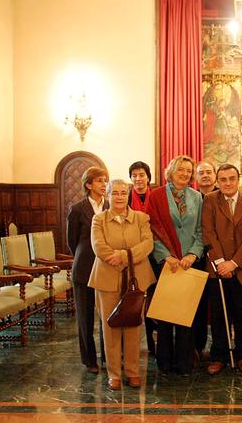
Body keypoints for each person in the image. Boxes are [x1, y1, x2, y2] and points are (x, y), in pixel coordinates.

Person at [89, 179, 154, 391]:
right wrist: (116, 257)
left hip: (136, 278)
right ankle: (114, 374)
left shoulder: (141, 218)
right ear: (108, 195)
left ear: (128, 195)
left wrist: (124, 256)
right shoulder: (98, 219)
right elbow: (98, 246)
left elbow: (147, 244)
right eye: (114, 193)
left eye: (123, 193)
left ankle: (133, 372)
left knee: (134, 325)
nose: (119, 197)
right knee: (111, 327)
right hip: (106, 278)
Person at [202, 164, 242, 375]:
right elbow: (208, 232)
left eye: (231, 179)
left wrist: (234, 263)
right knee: (219, 316)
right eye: (223, 179)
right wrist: (221, 263)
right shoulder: (210, 200)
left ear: (238, 180)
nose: (227, 183)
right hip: (217, 270)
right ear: (217, 181)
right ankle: (219, 356)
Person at [145, 155, 204, 375]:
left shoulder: (197, 197)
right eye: (181, 169)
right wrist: (165, 256)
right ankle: (165, 362)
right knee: (166, 315)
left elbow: (201, 230)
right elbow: (150, 230)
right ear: (171, 171)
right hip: (166, 264)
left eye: (189, 171)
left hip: (189, 264)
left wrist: (193, 254)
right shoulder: (156, 196)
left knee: (186, 315)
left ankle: (184, 362)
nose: (185, 174)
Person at [66, 166, 109, 374]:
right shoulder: (77, 209)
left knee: (106, 316)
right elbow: (72, 242)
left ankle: (108, 356)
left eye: (105, 180)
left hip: (107, 268)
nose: (104, 184)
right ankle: (90, 360)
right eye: (100, 181)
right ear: (89, 184)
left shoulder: (110, 206)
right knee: (85, 317)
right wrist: (84, 255)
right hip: (84, 268)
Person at [127, 161, 159, 356]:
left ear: (148, 177)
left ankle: (154, 344)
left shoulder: (156, 197)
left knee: (153, 300)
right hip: (134, 256)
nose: (138, 179)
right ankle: (132, 345)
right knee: (135, 300)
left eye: (141, 175)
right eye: (134, 175)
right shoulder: (125, 198)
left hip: (156, 255)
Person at [191, 160, 218, 359]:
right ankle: (197, 347)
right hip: (197, 260)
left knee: (218, 308)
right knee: (197, 307)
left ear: (215, 175)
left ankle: (220, 350)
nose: (205, 175)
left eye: (209, 172)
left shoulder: (222, 196)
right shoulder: (192, 198)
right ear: (196, 177)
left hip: (219, 260)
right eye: (201, 172)